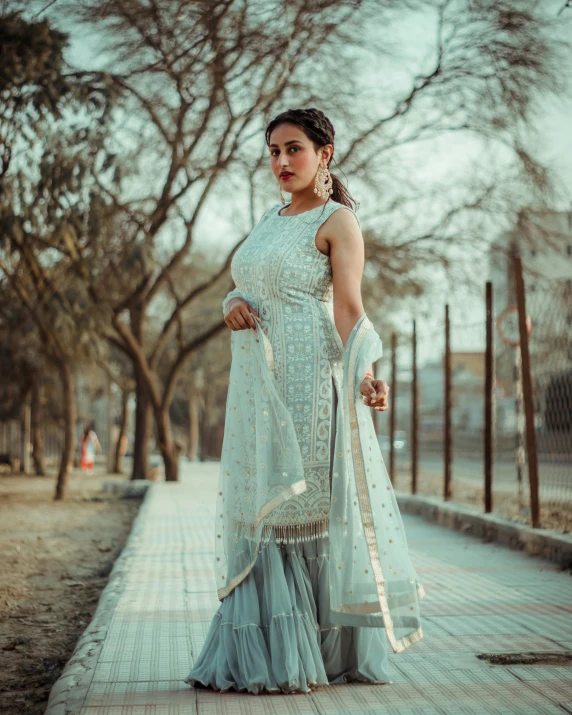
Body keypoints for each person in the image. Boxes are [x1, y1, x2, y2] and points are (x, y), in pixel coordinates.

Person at [184, 108, 425, 695]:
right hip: (255, 391)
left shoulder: (338, 222)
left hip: (310, 385)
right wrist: (227, 305)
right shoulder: (270, 217)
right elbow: (250, 283)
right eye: (273, 151)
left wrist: (367, 374)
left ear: (325, 153)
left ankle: (304, 651)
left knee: (294, 509)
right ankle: (268, 648)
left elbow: (346, 307)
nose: (281, 162)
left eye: (294, 149)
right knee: (257, 503)